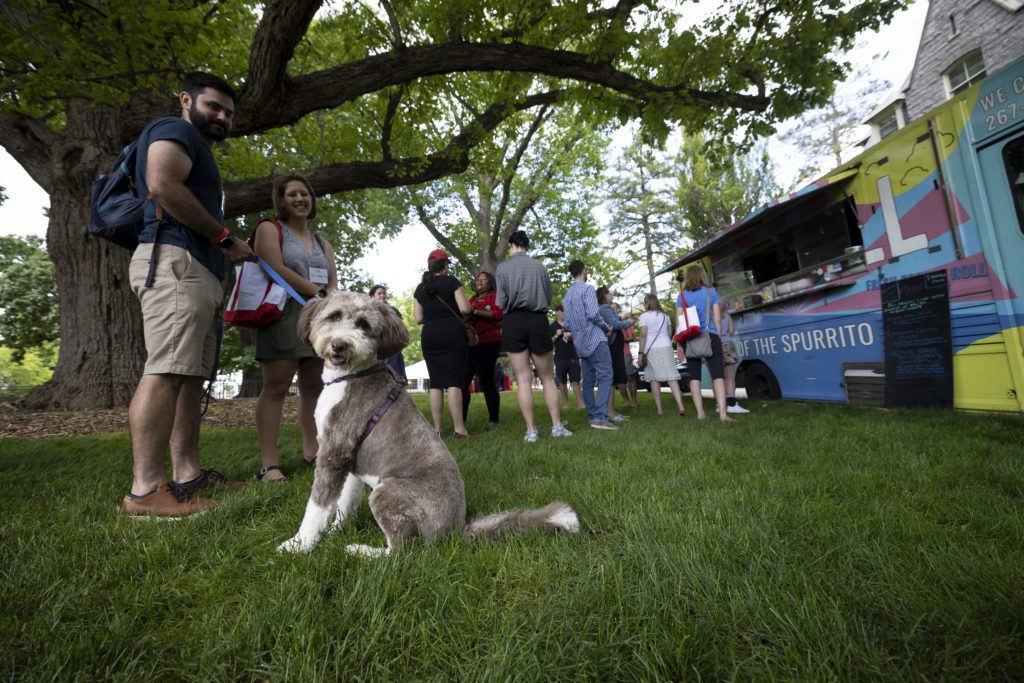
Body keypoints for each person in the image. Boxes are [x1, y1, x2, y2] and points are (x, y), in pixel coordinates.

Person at [121, 72, 256, 518]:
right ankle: (144, 491)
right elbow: (162, 184)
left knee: (188, 376)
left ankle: (187, 475)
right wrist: (224, 238)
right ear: (186, 100)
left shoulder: (197, 148)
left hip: (196, 270)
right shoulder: (174, 129)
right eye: (214, 107)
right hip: (175, 260)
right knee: (165, 370)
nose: (222, 117)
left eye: (229, 113)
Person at [252, 173, 337, 482]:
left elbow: (331, 282)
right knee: (275, 388)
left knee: (314, 387)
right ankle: (269, 465)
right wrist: (318, 293)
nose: (300, 199)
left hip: (318, 318)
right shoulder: (269, 229)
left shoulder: (321, 242)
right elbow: (275, 266)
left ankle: (312, 452)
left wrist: (327, 301)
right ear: (281, 200)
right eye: (292, 194)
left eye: (305, 193)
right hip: (283, 314)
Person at [494, 230, 572, 442]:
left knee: (523, 378)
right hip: (537, 320)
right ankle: (556, 427)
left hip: (513, 322)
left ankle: (531, 431)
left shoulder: (502, 268)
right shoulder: (539, 267)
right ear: (527, 246)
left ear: (511, 246)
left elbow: (500, 302)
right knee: (547, 378)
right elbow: (548, 296)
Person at [413, 249, 471, 438]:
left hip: (430, 334)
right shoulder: (452, 282)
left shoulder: (420, 289)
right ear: (445, 265)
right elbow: (464, 308)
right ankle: (459, 429)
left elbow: (418, 318)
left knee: (436, 382)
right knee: (454, 381)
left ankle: (437, 430)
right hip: (452, 332)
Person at [562, 260, 617, 430]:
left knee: (587, 380)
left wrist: (571, 332)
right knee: (606, 375)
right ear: (583, 271)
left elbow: (567, 324)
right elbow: (593, 314)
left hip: (580, 343)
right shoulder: (587, 289)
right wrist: (605, 326)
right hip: (595, 338)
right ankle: (600, 418)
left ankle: (592, 416)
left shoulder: (567, 296)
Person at [676, 265, 733, 421]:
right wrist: (719, 335)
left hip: (690, 338)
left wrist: (679, 344)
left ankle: (700, 413)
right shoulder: (711, 292)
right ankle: (723, 414)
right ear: (702, 276)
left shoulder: (682, 296)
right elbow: (716, 318)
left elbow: (679, 322)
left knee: (694, 376)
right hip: (711, 335)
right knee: (717, 375)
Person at [462, 271, 503, 430]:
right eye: (478, 279)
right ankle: (461, 421)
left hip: (488, 344)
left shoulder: (494, 296)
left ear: (490, 283)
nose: (479, 281)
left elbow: (497, 314)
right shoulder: (471, 299)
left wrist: (474, 312)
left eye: (483, 279)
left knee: (487, 382)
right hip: (471, 345)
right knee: (463, 383)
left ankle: (494, 420)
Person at [638, 293, 688, 416]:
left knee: (654, 379)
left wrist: (640, 352)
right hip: (666, 347)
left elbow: (643, 335)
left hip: (651, 350)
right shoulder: (665, 316)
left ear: (648, 303)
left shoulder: (644, 316)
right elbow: (669, 334)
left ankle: (660, 410)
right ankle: (681, 406)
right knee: (671, 377)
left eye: (645, 302)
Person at [596, 287, 633, 422]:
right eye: (610, 293)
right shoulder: (605, 308)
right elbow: (615, 324)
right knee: (610, 379)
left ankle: (612, 411)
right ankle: (610, 412)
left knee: (611, 379)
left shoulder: (603, 308)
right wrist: (628, 322)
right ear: (604, 295)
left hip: (614, 347)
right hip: (612, 347)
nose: (612, 295)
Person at [550, 305, 585, 411]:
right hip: (560, 358)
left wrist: (571, 337)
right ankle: (565, 404)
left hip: (573, 356)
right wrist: (556, 335)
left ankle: (581, 404)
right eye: (564, 312)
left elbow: (579, 337)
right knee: (562, 382)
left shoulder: (571, 324)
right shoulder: (552, 326)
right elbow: (549, 341)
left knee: (576, 381)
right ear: (558, 313)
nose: (566, 314)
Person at [369, 285, 407, 382]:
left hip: (392, 347)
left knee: (396, 374)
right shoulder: (368, 311)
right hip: (375, 348)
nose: (382, 295)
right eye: (379, 293)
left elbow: (401, 328)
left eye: (384, 293)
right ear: (372, 296)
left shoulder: (393, 310)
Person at [620, 309, 639, 409]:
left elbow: (631, 337)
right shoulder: (607, 321)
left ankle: (633, 401)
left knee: (630, 377)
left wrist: (619, 339)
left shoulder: (624, 323)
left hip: (625, 353)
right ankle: (626, 401)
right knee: (620, 380)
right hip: (613, 355)